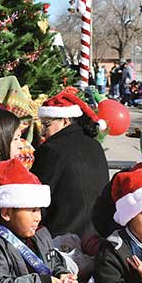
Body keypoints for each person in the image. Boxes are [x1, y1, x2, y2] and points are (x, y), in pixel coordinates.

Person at [32, 91, 109, 237]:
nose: (43, 132)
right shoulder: (94, 144)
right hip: (96, 234)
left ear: (65, 121)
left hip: (62, 237)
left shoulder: (52, 149)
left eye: (46, 125)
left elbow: (37, 199)